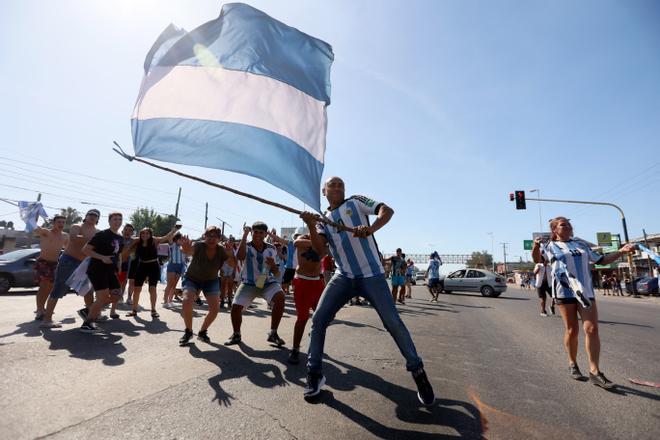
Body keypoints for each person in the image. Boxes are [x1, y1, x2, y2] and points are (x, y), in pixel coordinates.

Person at [299, 176, 434, 405]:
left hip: (372, 275)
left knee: (393, 322)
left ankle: (418, 372)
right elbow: (320, 250)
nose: (338, 187)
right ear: (324, 192)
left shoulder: (356, 202)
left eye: (341, 184)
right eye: (333, 184)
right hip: (344, 276)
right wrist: (311, 225)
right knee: (319, 320)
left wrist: (370, 228)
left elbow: (387, 210)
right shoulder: (323, 220)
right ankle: (314, 374)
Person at [532, 216, 636, 389]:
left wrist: (622, 251)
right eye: (563, 225)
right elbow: (537, 259)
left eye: (568, 224)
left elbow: (601, 260)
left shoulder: (581, 244)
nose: (568, 226)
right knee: (572, 330)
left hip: (585, 291)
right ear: (554, 230)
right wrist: (536, 246)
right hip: (564, 291)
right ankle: (572, 363)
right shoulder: (549, 246)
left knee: (592, 329)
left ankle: (595, 372)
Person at [224, 222, 287, 347]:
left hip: (266, 279)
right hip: (249, 282)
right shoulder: (245, 245)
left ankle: (273, 333)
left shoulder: (271, 248)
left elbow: (276, 273)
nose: (258, 235)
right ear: (252, 232)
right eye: (255, 232)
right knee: (236, 307)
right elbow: (241, 257)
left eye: (261, 232)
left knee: (280, 297)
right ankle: (236, 334)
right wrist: (245, 235)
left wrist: (273, 265)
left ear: (265, 234)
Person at [41, 209, 99, 328]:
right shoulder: (77, 226)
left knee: (87, 291)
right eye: (90, 215)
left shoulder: (97, 231)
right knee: (58, 289)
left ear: (98, 219)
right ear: (86, 216)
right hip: (68, 261)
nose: (93, 217)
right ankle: (47, 320)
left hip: (84, 263)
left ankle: (91, 317)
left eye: (95, 216)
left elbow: (97, 245)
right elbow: (73, 238)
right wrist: (93, 239)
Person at [178, 226, 235, 345]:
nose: (211, 239)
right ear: (204, 236)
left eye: (215, 236)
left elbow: (233, 264)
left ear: (219, 239)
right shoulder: (199, 245)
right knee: (187, 301)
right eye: (209, 235)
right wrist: (185, 248)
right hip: (192, 278)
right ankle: (188, 331)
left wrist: (230, 254)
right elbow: (188, 251)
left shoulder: (222, 250)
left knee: (215, 310)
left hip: (211, 280)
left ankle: (202, 332)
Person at [79, 212, 124, 333]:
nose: (117, 221)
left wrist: (119, 266)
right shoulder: (102, 234)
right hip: (97, 269)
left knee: (117, 295)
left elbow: (118, 253)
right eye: (114, 219)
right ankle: (87, 324)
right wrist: (102, 257)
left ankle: (89, 310)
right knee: (102, 297)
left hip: (111, 270)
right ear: (109, 221)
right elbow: (86, 250)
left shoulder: (120, 237)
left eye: (120, 219)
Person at [123, 226, 179, 318]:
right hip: (141, 266)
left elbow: (166, 237)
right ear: (140, 234)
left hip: (153, 266)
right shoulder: (137, 241)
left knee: (152, 289)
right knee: (137, 289)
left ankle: (153, 310)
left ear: (150, 234)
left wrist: (175, 229)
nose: (145, 235)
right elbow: (126, 242)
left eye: (147, 233)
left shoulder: (154, 240)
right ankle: (134, 310)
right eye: (143, 233)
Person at [288, 233, 326, 364]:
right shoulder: (303, 238)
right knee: (302, 318)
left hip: (317, 283)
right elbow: (296, 243)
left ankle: (314, 336)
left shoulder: (324, 240)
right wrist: (318, 244)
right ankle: (295, 349)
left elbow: (328, 250)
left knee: (322, 317)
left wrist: (321, 244)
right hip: (302, 282)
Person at [33, 215, 68, 321]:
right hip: (43, 263)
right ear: (54, 223)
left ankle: (44, 309)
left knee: (50, 288)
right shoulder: (46, 232)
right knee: (43, 286)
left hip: (55, 264)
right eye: (59, 222)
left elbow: (68, 248)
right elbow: (35, 228)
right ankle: (40, 310)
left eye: (63, 222)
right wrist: (35, 215)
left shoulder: (65, 236)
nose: (61, 224)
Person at [164, 232, 185, 308]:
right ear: (176, 239)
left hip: (180, 266)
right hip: (172, 265)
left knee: (174, 285)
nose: (182, 240)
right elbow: (169, 237)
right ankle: (165, 302)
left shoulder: (183, 246)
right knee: (169, 285)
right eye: (181, 239)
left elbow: (186, 256)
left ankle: (170, 301)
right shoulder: (172, 244)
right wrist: (175, 230)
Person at [220, 237, 237, 308]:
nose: (230, 242)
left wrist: (234, 271)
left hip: (231, 268)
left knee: (230, 286)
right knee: (223, 286)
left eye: (232, 241)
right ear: (227, 242)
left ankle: (230, 301)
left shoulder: (235, 250)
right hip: (224, 267)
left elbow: (236, 262)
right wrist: (220, 269)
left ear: (233, 243)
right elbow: (220, 259)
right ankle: (222, 301)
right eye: (229, 241)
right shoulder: (223, 249)